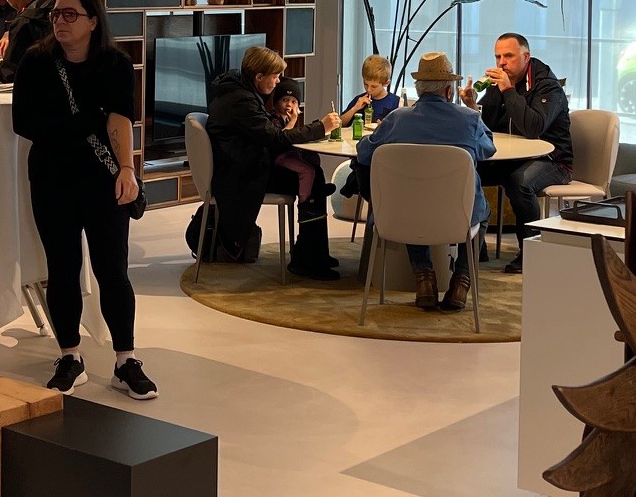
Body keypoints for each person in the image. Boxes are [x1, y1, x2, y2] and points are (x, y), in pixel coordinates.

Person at [10, 0, 158, 398]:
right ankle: (69, 355)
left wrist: (127, 169)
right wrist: (87, 120)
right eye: (56, 14)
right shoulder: (37, 61)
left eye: (70, 14)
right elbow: (24, 122)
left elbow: (120, 119)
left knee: (113, 270)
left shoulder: (115, 63)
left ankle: (126, 360)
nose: (60, 21)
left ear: (93, 21)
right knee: (62, 269)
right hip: (51, 178)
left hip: (101, 179)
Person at [357, 52, 494, 311]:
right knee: (483, 211)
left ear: (419, 89)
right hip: (458, 215)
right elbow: (488, 149)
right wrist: (474, 110)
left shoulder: (396, 119)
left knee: (413, 197)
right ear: (449, 91)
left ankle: (424, 278)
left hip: (400, 215)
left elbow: (364, 153)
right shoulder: (469, 120)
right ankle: (462, 280)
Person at [195, 48, 341, 278]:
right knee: (313, 177)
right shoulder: (242, 101)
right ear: (259, 76)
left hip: (243, 168)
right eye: (275, 76)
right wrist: (320, 127)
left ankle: (313, 252)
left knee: (314, 173)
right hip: (243, 176)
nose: (278, 81)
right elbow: (275, 139)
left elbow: (268, 136)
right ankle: (308, 259)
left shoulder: (238, 92)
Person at [466, 32, 574, 273]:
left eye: (508, 56)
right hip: (512, 158)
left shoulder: (548, 86)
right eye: (497, 57)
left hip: (552, 160)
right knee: (467, 170)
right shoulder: (499, 83)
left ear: (526, 57)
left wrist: (507, 90)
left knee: (520, 182)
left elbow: (533, 128)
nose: (501, 62)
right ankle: (475, 245)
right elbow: (488, 126)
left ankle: (530, 252)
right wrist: (472, 106)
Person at [338, 54, 401, 129]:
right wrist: (355, 108)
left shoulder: (396, 103)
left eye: (374, 86)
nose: (368, 89)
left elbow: (400, 131)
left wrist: (385, 128)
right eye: (366, 84)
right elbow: (339, 124)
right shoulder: (360, 100)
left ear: (386, 83)